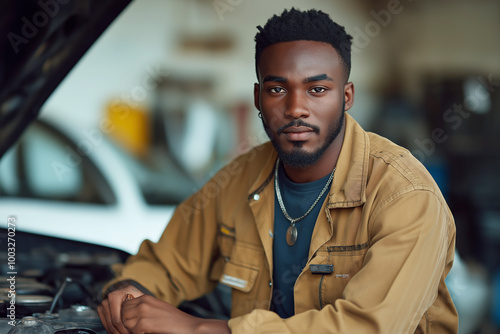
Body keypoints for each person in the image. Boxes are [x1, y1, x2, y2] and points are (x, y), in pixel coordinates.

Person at [97, 8, 458, 334]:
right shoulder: (238, 179)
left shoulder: (406, 196)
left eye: (317, 89)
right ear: (258, 98)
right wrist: (128, 293)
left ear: (346, 97)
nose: (296, 108)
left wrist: (202, 329)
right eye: (277, 89)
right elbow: (166, 263)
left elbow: (368, 327)